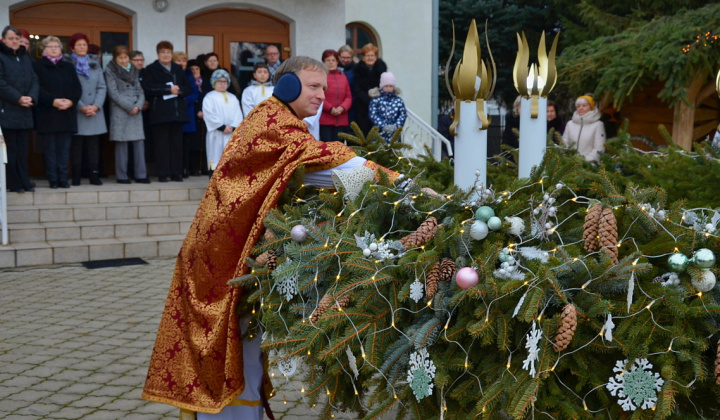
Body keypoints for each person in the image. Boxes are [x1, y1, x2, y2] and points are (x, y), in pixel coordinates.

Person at [142, 55, 400, 419]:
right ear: (287, 86)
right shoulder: (273, 123)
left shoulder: (280, 120)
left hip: (227, 252)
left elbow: (308, 174)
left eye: (324, 88)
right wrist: (402, 185)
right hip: (222, 259)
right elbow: (329, 165)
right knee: (234, 351)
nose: (322, 95)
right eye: (313, 86)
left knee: (241, 349)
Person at [33, 36, 81, 189]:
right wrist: (53, 101)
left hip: (66, 114)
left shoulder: (68, 66)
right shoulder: (37, 66)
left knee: (64, 149)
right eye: (50, 46)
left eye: (56, 46)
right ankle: (53, 179)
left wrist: (71, 101)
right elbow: (37, 89)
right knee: (50, 150)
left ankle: (63, 178)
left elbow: (77, 88)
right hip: (48, 114)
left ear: (61, 49)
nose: (54, 49)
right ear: (43, 50)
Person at [142, 40, 191, 182]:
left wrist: (179, 91)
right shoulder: (151, 69)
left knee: (176, 145)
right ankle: (163, 173)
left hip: (177, 113)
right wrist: (167, 89)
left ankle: (176, 173)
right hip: (160, 113)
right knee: (161, 145)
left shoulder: (177, 68)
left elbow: (188, 88)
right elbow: (148, 88)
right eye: (163, 52)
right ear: (158, 54)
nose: (166, 55)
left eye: (168, 52)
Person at [0, 25, 38, 193]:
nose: (14, 41)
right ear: (4, 40)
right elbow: (1, 83)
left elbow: (34, 80)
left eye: (17, 38)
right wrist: (18, 98)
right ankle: (13, 183)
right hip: (7, 110)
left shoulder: (24, 57)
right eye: (11, 38)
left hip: (25, 111)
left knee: (23, 151)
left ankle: (25, 181)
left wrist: (31, 97)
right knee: (11, 151)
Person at [66, 32, 106, 186]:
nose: (82, 47)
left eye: (84, 44)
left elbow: (102, 87)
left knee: (93, 144)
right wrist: (82, 107)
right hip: (77, 109)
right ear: (72, 48)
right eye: (78, 45)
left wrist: (96, 105)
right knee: (77, 144)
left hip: (95, 110)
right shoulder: (68, 65)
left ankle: (94, 176)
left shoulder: (95, 63)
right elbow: (68, 88)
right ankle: (76, 176)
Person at [105, 45, 149, 184]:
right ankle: (122, 176)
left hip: (136, 109)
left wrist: (138, 105)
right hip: (121, 110)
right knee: (122, 143)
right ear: (115, 58)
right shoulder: (109, 70)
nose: (124, 60)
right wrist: (129, 106)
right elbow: (113, 93)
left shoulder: (134, 70)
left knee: (138, 143)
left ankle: (141, 175)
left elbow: (140, 90)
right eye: (121, 58)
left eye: (126, 57)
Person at [202, 69, 242, 174]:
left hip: (230, 133)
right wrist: (221, 127)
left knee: (229, 158)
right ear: (214, 82)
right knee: (215, 158)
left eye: (224, 82)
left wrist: (232, 127)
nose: (222, 84)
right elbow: (209, 114)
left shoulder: (232, 97)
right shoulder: (209, 97)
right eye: (219, 81)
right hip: (216, 133)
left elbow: (238, 114)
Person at [353, 43, 387, 134]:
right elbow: (357, 89)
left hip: (379, 107)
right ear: (363, 58)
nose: (370, 58)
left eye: (372, 55)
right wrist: (368, 100)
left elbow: (385, 87)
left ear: (376, 57)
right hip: (363, 107)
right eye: (367, 55)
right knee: (364, 133)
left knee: (378, 134)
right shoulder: (358, 70)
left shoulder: (382, 70)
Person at [174, 52, 198, 178]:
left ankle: (185, 168)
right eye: (179, 61)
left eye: (184, 61)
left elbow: (195, 93)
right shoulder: (173, 73)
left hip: (188, 112)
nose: (182, 63)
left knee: (188, 143)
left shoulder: (189, 74)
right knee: (176, 144)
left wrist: (184, 100)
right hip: (175, 112)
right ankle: (177, 169)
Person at [319, 49, 352, 142]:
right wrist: (330, 108)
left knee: (339, 148)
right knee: (327, 148)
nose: (331, 63)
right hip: (325, 119)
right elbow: (318, 95)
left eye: (333, 60)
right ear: (324, 62)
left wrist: (342, 107)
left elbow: (348, 96)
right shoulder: (321, 76)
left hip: (341, 118)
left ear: (337, 62)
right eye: (328, 60)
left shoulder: (343, 76)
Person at [563, 95, 606, 162]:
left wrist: (586, 161)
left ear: (591, 107)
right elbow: (564, 143)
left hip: (589, 166)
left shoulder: (598, 125)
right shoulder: (570, 124)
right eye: (578, 106)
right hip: (570, 164)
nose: (581, 108)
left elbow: (599, 147)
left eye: (584, 105)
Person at [368, 71, 406, 142]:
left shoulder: (398, 100)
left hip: (394, 134)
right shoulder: (376, 100)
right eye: (386, 86)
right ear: (382, 87)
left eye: (390, 86)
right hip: (379, 134)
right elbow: (373, 114)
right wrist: (383, 126)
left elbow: (402, 114)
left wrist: (396, 126)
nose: (388, 88)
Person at [187, 59, 208, 175]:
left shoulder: (206, 81)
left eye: (197, 69)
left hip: (206, 115)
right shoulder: (189, 81)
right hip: (193, 115)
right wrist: (197, 111)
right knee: (194, 144)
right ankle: (193, 168)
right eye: (192, 69)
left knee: (204, 143)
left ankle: (204, 167)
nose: (195, 71)